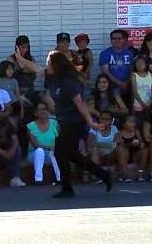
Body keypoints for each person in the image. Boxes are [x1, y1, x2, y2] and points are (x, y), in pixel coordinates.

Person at [49, 51, 112, 198]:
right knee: (72, 155)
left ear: (56, 65)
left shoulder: (68, 82)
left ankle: (67, 188)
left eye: (49, 63)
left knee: (60, 151)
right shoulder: (57, 79)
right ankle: (103, 174)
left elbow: (80, 104)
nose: (47, 66)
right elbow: (36, 69)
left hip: (74, 122)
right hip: (64, 121)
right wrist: (20, 58)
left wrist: (91, 122)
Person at [27, 102, 60, 185]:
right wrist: (50, 147)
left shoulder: (54, 123)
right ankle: (38, 179)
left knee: (56, 153)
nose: (43, 111)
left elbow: (60, 139)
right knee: (40, 151)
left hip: (51, 153)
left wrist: (54, 148)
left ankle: (59, 178)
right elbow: (35, 145)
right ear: (35, 113)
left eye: (44, 109)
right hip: (35, 154)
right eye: (40, 110)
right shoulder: (30, 126)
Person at [88, 111, 120, 182]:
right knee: (95, 150)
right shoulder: (94, 128)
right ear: (99, 119)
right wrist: (108, 145)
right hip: (99, 153)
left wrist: (100, 144)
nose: (104, 121)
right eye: (102, 119)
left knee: (120, 149)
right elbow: (91, 143)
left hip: (111, 154)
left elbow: (118, 142)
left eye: (107, 119)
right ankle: (96, 175)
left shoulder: (114, 128)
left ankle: (123, 173)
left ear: (111, 121)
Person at [116, 115, 148, 182]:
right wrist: (130, 144)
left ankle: (140, 172)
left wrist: (140, 143)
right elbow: (119, 145)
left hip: (134, 155)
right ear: (123, 124)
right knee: (121, 149)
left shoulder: (136, 131)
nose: (133, 124)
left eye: (134, 122)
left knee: (145, 150)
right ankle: (125, 173)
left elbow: (142, 144)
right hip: (124, 155)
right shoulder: (119, 133)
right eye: (130, 122)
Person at [131, 56, 152, 120]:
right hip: (138, 105)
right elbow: (134, 91)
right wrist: (142, 104)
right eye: (137, 63)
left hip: (149, 104)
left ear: (146, 64)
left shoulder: (150, 75)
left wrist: (151, 102)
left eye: (142, 62)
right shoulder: (134, 75)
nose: (139, 64)